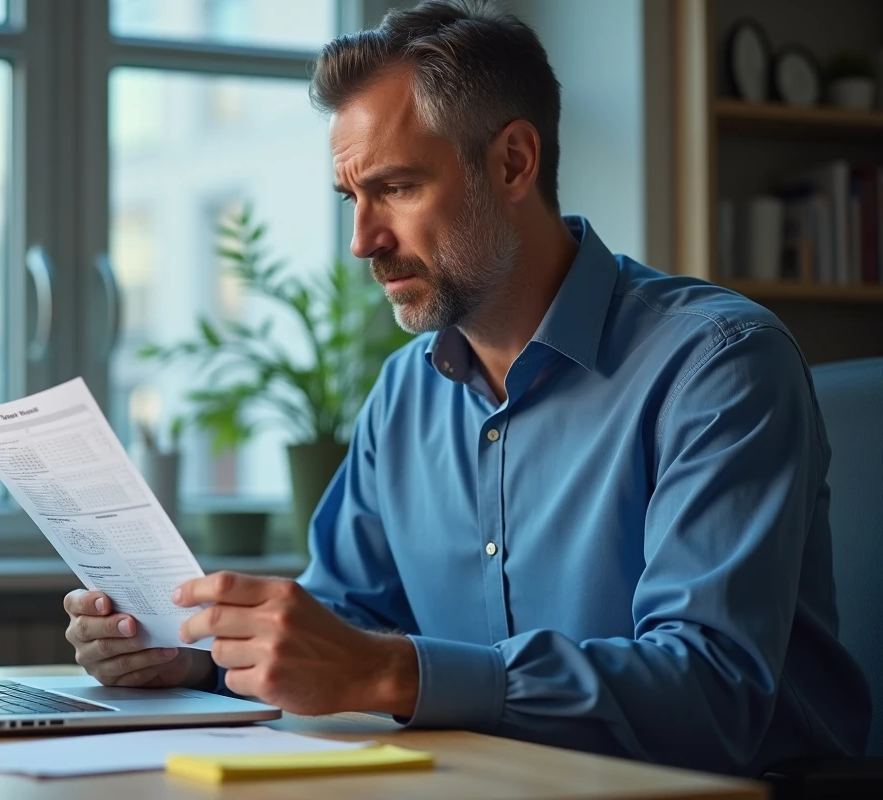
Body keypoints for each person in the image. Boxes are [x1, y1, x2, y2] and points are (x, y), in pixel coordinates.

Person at [65, 0, 870, 775]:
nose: (361, 241)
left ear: (514, 162)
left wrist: (394, 674)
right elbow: (348, 623)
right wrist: (199, 658)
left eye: (398, 188)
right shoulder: (404, 394)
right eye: (352, 198)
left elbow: (710, 694)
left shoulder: (718, 366)